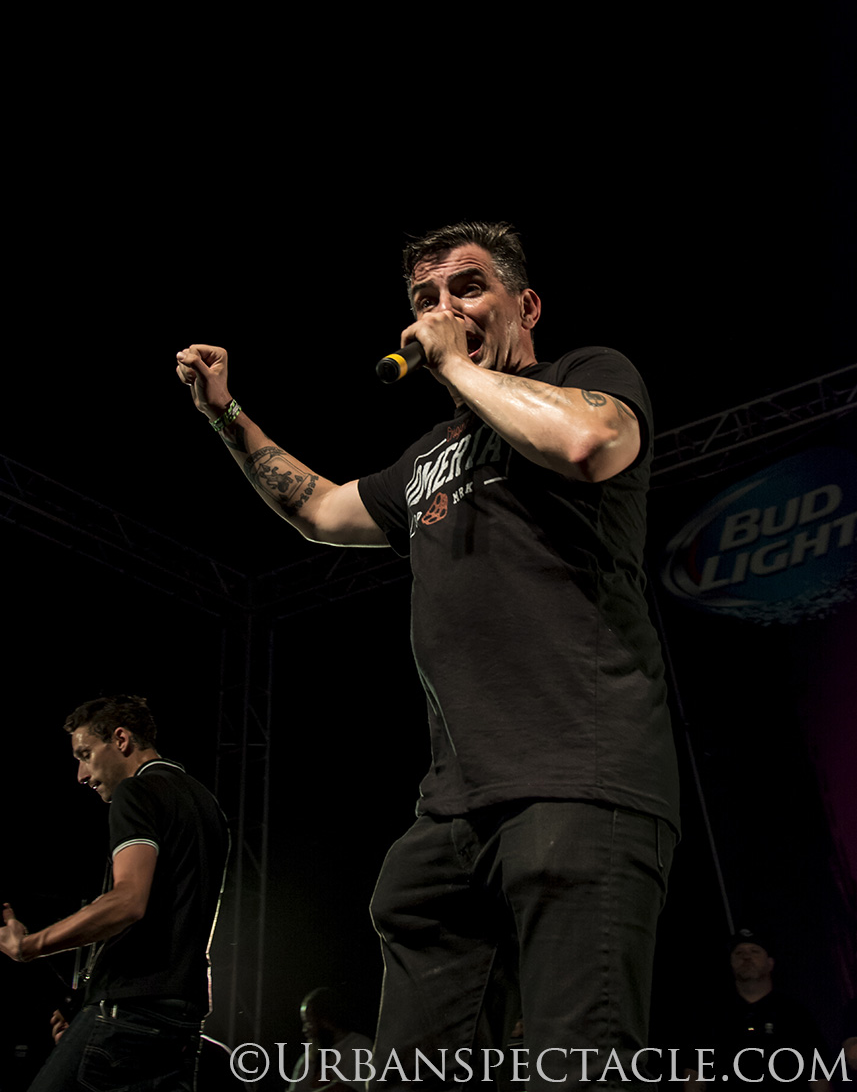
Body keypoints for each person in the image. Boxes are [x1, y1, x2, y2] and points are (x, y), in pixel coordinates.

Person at [176, 221, 680, 1086]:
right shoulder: (427, 458)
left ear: (526, 305)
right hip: (453, 805)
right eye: (423, 298)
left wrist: (454, 364)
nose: (440, 309)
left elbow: (589, 444)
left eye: (467, 287)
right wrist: (225, 414)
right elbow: (320, 510)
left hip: (578, 775)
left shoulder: (586, 374)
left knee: (576, 1067)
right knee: (409, 1023)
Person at [0, 695, 229, 1091]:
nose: (81, 774)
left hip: (129, 1013)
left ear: (121, 740)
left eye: (85, 755)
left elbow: (127, 902)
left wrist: (30, 946)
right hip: (182, 1018)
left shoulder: (136, 792)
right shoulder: (206, 803)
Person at [684, 928, 831, 1091]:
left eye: (754, 951)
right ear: (731, 963)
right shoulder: (711, 1014)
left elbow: (818, 1075)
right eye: (739, 953)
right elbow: (694, 1071)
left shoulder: (794, 1013)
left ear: (770, 963)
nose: (746, 957)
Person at [287, 985, 374, 1089]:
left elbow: (345, 1089)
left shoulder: (359, 1045)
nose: (304, 1029)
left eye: (309, 1022)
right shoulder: (308, 1059)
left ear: (326, 1020)